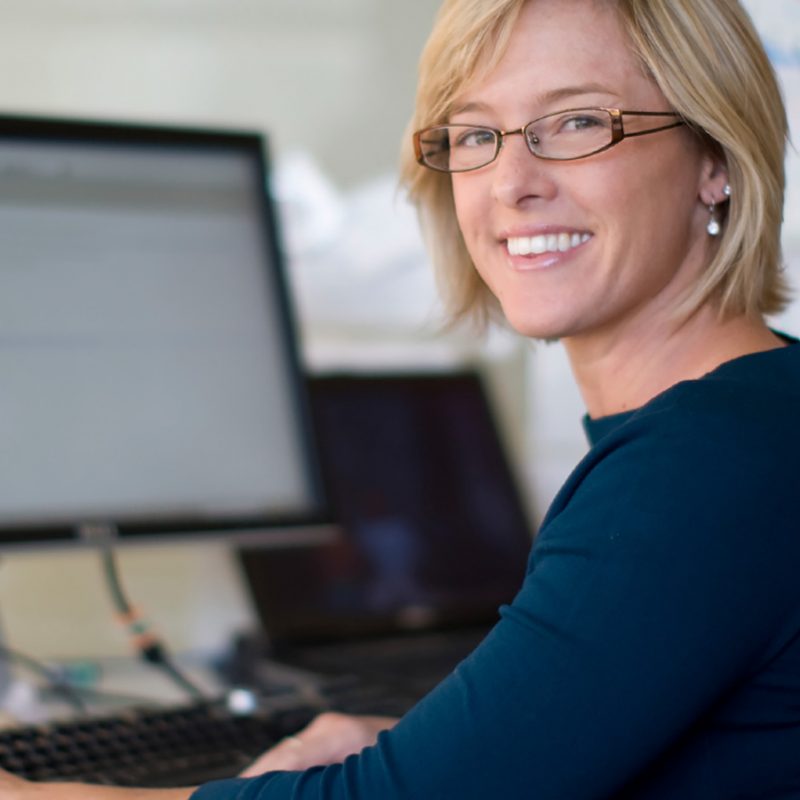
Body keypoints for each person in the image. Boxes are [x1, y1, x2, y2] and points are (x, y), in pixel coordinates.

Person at [1, 0, 798, 796]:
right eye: (477, 135)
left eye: (578, 123)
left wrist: (41, 793)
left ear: (715, 158)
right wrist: (435, 742)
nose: (512, 184)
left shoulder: (700, 467)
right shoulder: (760, 408)